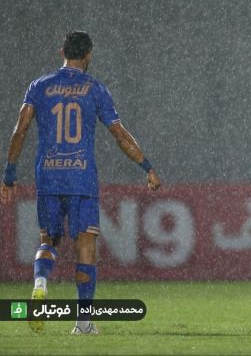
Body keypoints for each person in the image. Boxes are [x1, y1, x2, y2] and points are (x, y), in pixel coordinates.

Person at [0, 31, 161, 335]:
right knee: (85, 246)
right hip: (81, 177)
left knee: (48, 239)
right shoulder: (95, 89)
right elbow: (120, 135)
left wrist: (9, 175)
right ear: (88, 55)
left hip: (47, 175)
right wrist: (147, 167)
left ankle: (40, 285)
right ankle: (83, 323)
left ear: (62, 51)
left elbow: (19, 131)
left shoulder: (40, 86)